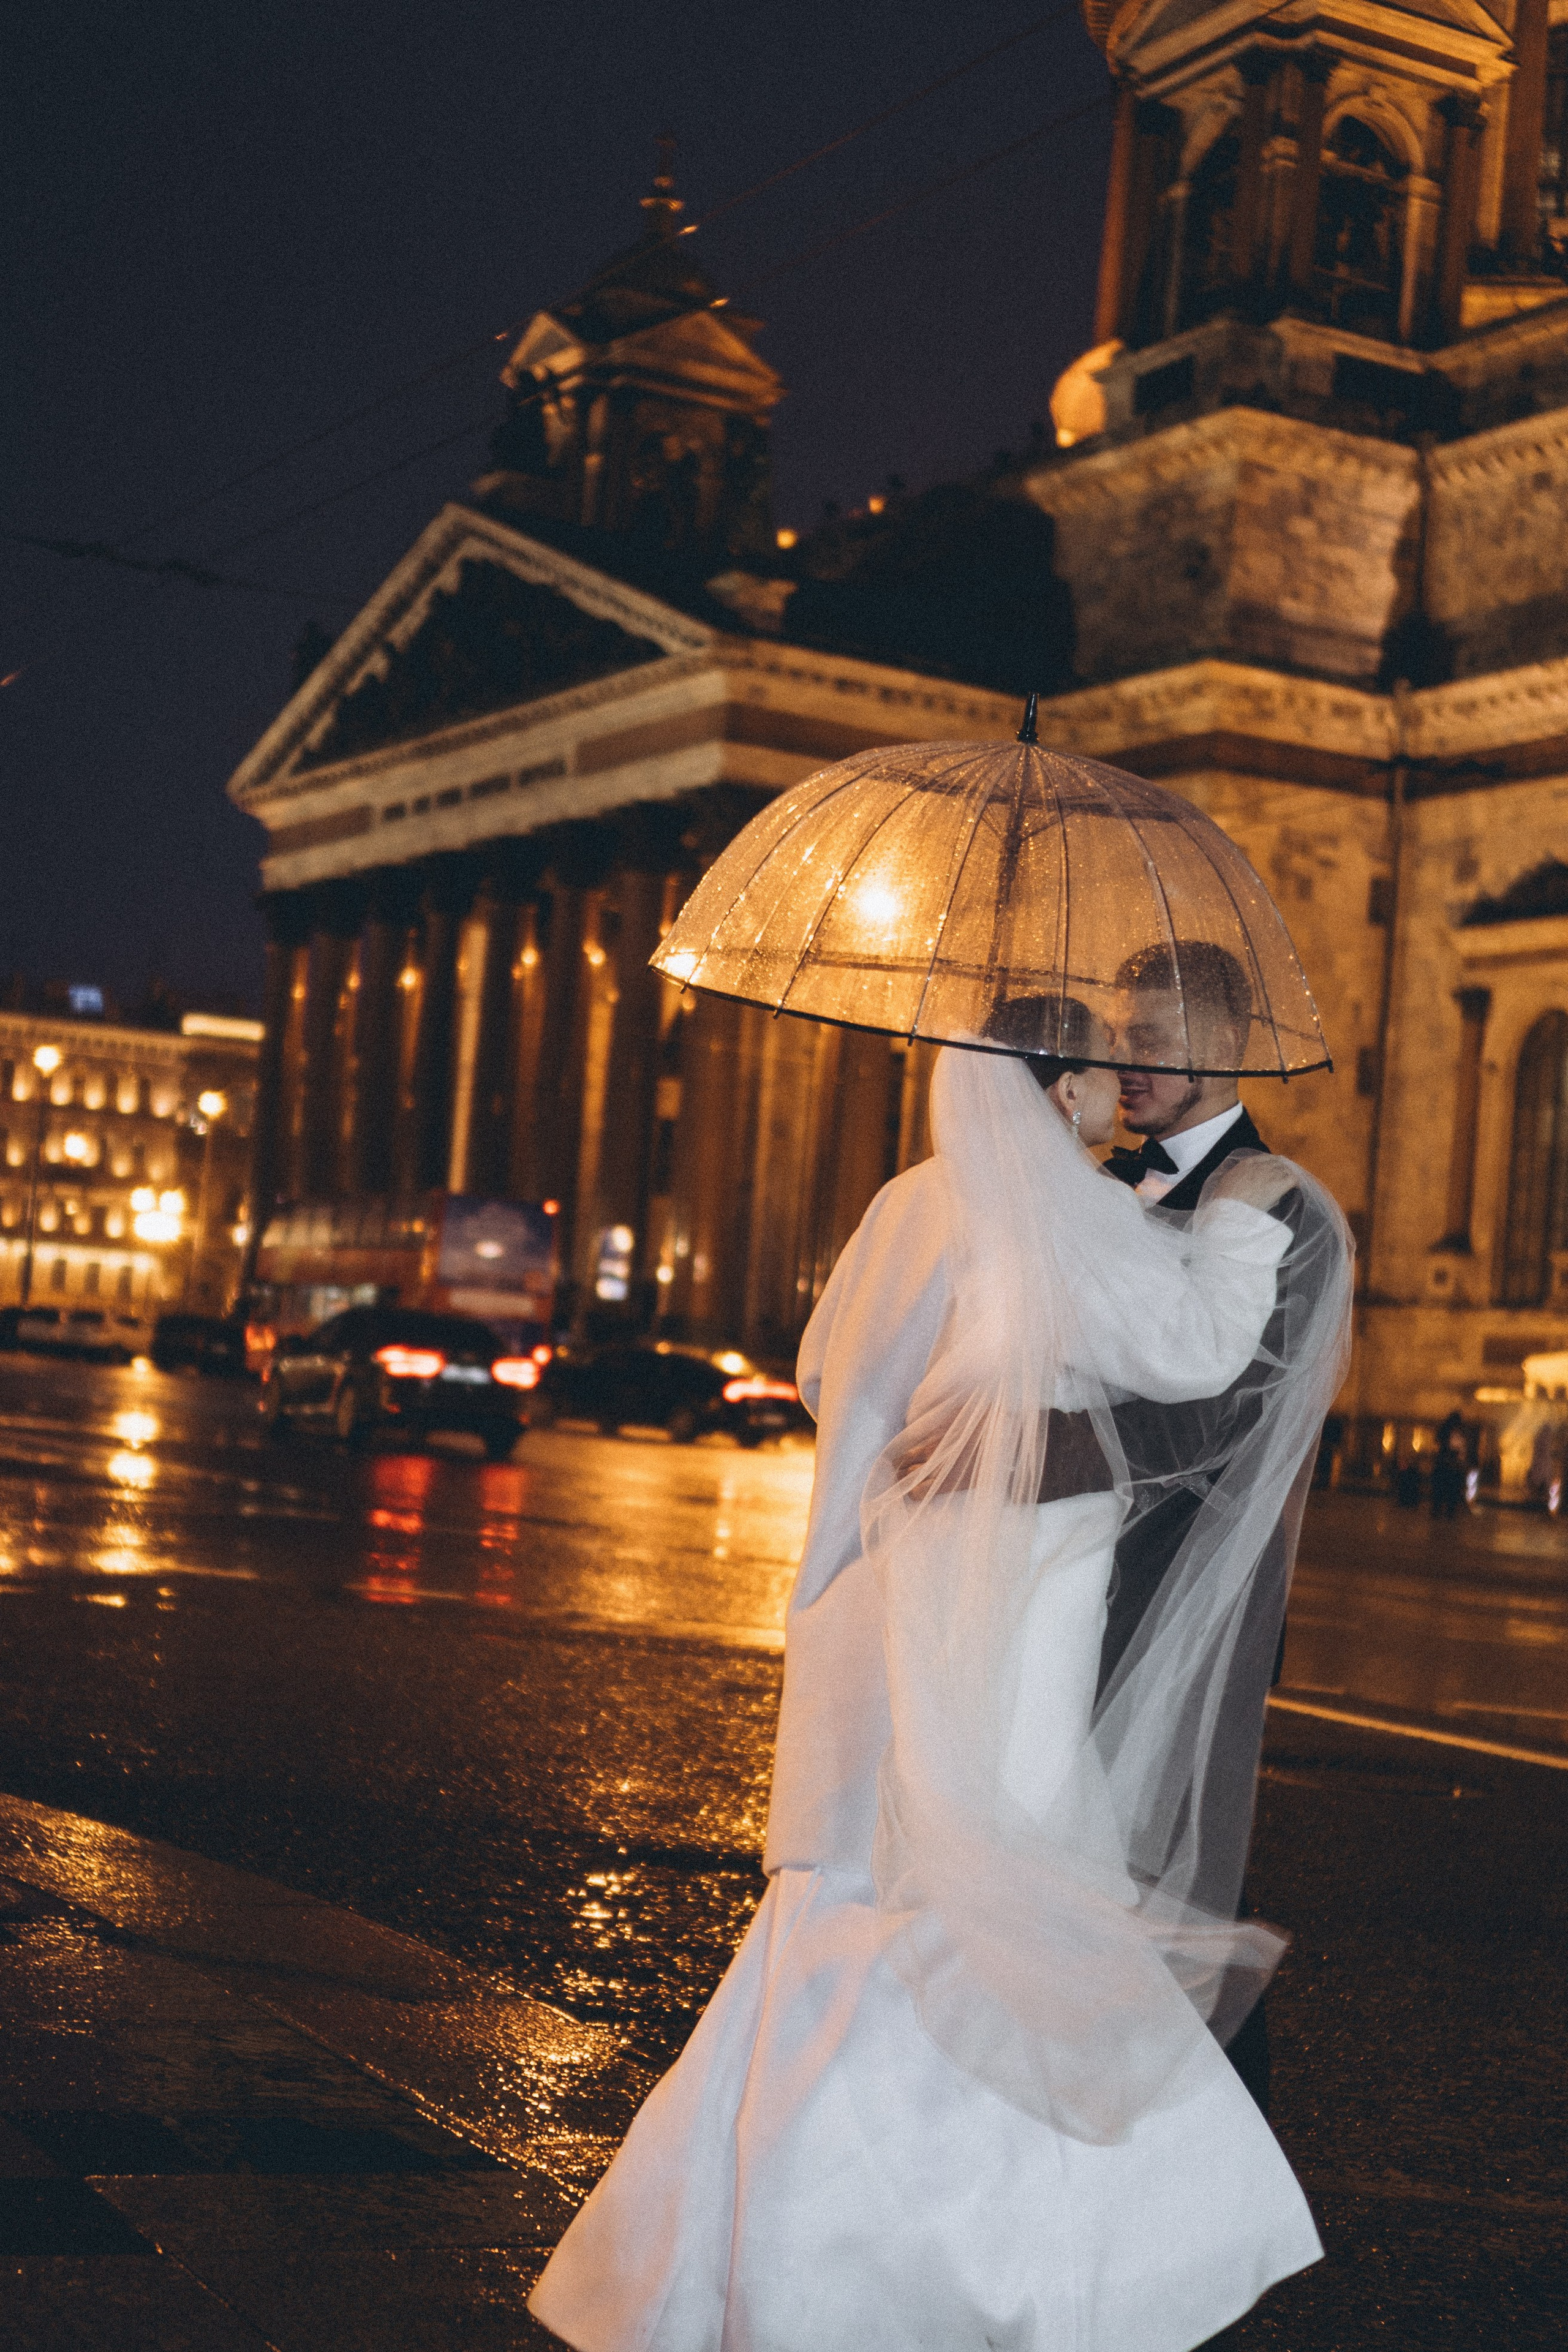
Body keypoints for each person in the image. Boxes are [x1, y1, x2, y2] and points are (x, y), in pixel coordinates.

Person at [529, 997, 1352, 2352]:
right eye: (1098, 1062)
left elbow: (816, 1370)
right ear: (1060, 1085)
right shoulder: (1066, 1207)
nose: (1115, 1087)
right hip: (1012, 1613)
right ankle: (1040, 2254)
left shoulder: (906, 1198)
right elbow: (1199, 1354)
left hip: (891, 1597)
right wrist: (1247, 1218)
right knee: (1008, 1888)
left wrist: (951, 1411)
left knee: (864, 1899)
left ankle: (760, 2250)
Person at [1096, 940, 1307, 2117]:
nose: (1124, 1060)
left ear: (1221, 1049)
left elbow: (1238, 1419)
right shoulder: (1112, 1180)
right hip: (1093, 1582)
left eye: (1151, 1040)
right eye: (1123, 1036)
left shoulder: (1271, 1195)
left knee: (1179, 1872)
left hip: (1195, 1593)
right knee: (1103, 1864)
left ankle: (1227, 2143)